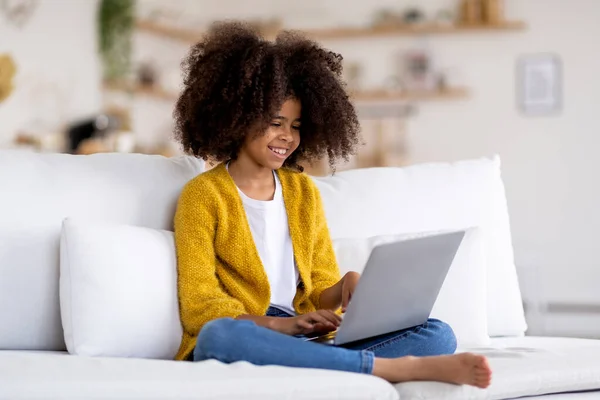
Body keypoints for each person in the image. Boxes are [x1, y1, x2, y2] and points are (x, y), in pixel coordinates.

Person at [172, 21, 492, 387]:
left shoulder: (303, 192)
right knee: (218, 336)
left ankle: (314, 362)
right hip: (252, 332)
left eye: (296, 126)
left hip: (304, 337)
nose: (287, 137)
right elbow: (200, 307)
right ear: (237, 118)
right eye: (275, 122)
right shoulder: (202, 196)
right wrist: (279, 324)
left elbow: (320, 285)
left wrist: (345, 286)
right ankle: (388, 369)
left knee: (437, 333)